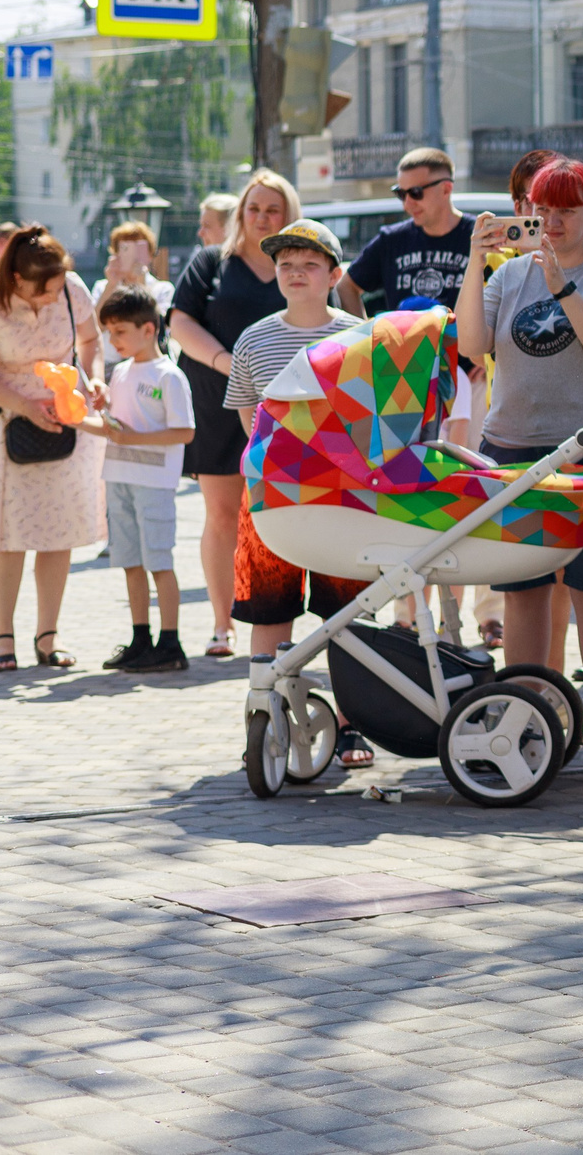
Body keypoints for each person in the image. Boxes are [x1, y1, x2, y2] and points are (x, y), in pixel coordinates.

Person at [458, 159, 583, 773]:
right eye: (543, 211)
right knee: (524, 593)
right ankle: (526, 720)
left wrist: (565, 289)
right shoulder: (510, 273)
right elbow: (471, 345)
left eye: (567, 210)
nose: (553, 223)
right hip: (514, 448)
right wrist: (473, 260)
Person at [219, 219, 374, 763]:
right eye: (286, 266)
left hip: (344, 492)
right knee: (269, 612)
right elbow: (245, 411)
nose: (295, 274)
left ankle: (354, 724)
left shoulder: (360, 335)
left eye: (309, 265)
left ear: (333, 274)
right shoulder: (255, 338)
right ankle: (265, 723)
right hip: (271, 493)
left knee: (348, 612)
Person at [0, 227, 105, 671]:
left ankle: (48, 635)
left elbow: (91, 342)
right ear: (17, 281)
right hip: (5, 422)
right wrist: (25, 406)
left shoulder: (70, 288)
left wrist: (95, 378)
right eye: (44, 291)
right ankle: (3, 636)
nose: (52, 296)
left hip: (62, 418)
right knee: (7, 535)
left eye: (57, 287)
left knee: (57, 531)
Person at [169, 170, 298, 659]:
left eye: (273, 210)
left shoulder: (299, 263)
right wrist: (230, 364)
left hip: (285, 407)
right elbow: (180, 321)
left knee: (275, 517)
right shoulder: (210, 262)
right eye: (254, 209)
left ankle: (274, 622)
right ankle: (223, 625)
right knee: (223, 515)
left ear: (288, 215)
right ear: (240, 213)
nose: (263, 218)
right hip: (216, 400)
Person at [82, 284, 195, 674]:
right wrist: (73, 417)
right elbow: (114, 429)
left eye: (120, 331)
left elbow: (184, 432)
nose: (113, 340)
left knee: (159, 562)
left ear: (149, 329)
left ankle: (171, 642)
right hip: (119, 477)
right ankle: (140, 638)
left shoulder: (170, 376)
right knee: (130, 561)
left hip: (155, 482)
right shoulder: (121, 373)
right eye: (109, 332)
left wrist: (133, 437)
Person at [336, 147, 470, 315]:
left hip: (462, 341)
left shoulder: (477, 237)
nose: (407, 204)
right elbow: (346, 286)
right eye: (401, 193)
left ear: (446, 189)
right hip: (403, 341)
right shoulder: (391, 239)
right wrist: (366, 336)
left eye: (415, 193)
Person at [100, 222, 173, 317]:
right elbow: (94, 327)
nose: (132, 255)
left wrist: (142, 287)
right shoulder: (102, 287)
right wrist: (110, 285)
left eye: (139, 248)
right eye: (125, 248)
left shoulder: (163, 289)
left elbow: (161, 326)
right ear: (116, 253)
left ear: (150, 255)